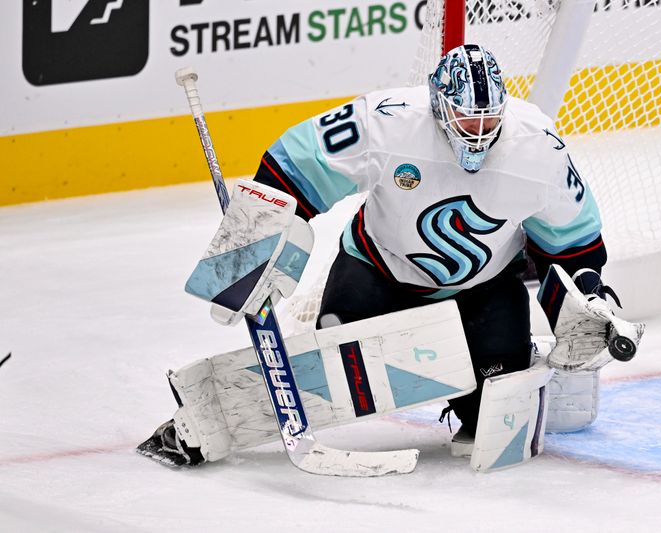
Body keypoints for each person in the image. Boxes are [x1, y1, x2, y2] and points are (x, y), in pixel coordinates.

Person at [251, 44, 608, 447]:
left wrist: (589, 297)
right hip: (379, 271)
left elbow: (573, 245)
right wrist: (260, 232)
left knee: (493, 417)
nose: (479, 132)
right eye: (467, 119)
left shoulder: (539, 147)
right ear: (438, 106)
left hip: (485, 290)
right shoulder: (387, 122)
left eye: (489, 119)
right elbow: (296, 165)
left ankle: (509, 364)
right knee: (341, 357)